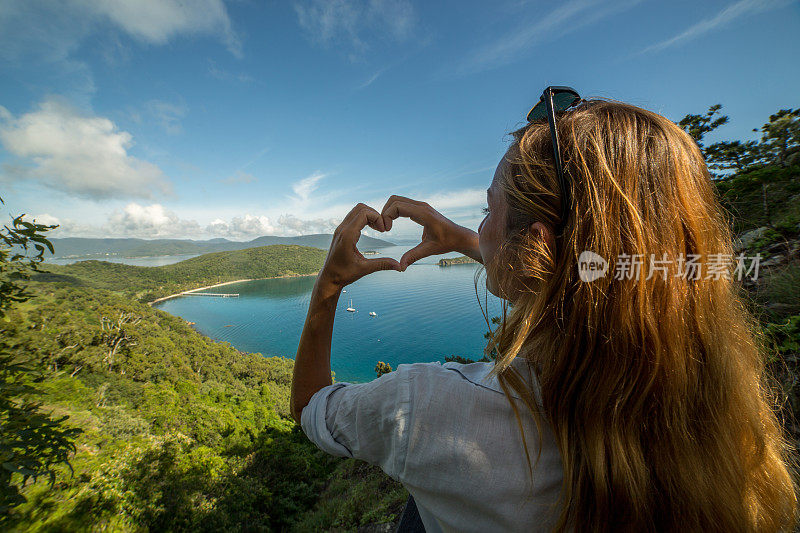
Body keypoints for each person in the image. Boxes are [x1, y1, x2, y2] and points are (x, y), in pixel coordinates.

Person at [289, 93, 798, 532]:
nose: (481, 226)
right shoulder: (716, 414)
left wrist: (329, 284)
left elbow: (311, 404)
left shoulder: (428, 409)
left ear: (535, 250)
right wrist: (470, 239)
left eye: (489, 210)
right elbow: (584, 275)